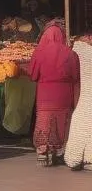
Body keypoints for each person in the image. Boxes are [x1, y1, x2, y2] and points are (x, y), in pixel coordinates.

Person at [28, 22, 80, 167]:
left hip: (45, 95)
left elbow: (32, 75)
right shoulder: (71, 53)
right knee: (61, 121)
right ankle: (58, 151)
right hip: (64, 95)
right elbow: (76, 77)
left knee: (44, 120)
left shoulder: (39, 52)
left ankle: (43, 151)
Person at [63, 38, 92, 171]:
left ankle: (74, 158)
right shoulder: (82, 53)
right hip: (86, 95)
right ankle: (88, 158)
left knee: (80, 125)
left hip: (83, 96)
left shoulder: (74, 53)